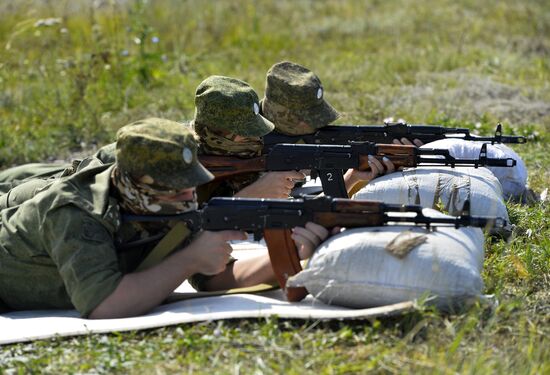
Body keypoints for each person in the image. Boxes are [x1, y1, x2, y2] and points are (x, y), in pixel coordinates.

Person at [0, 118, 330, 319]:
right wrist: (188, 259)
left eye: (192, 186)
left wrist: (288, 255)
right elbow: (105, 305)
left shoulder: (164, 203)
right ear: (135, 184)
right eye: (175, 191)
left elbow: (212, 277)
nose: (189, 199)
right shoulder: (74, 210)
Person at [260, 61, 396, 192]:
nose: (318, 123)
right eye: (308, 118)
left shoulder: (315, 136)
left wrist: (353, 176)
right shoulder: (246, 142)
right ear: (281, 113)